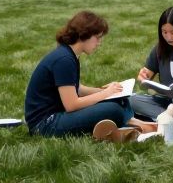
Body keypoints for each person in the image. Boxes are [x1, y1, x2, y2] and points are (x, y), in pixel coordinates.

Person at [24, 10, 153, 140]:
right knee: (113, 109)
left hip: (57, 115)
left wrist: (110, 92)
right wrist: (104, 94)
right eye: (97, 37)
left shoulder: (70, 55)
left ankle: (136, 126)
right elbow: (72, 105)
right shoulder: (64, 60)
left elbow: (77, 89)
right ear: (83, 35)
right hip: (45, 125)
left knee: (119, 100)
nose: (99, 42)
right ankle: (138, 127)